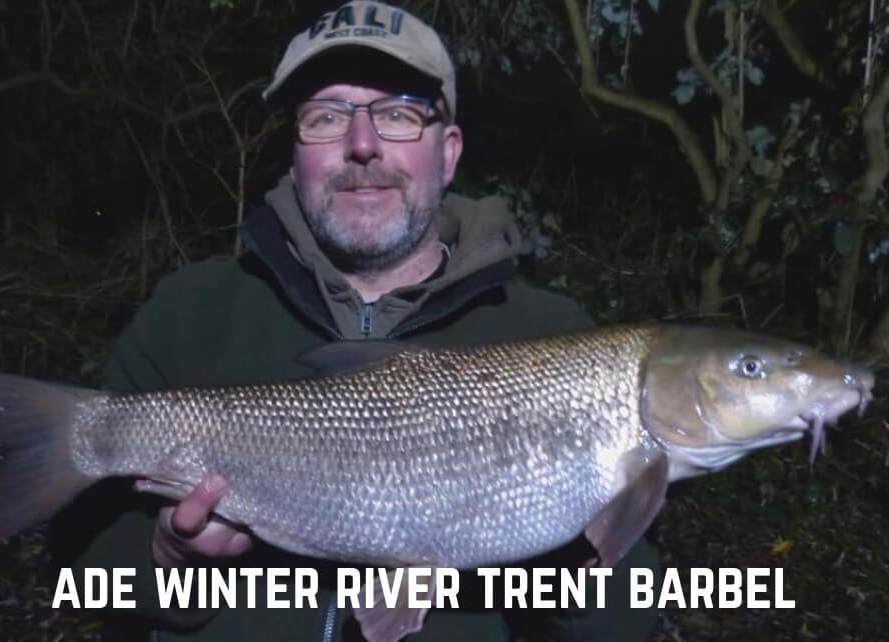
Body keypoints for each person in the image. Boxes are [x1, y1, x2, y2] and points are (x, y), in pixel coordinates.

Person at [60, 2, 661, 640]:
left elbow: (619, 625)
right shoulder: (188, 314)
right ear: (293, 154)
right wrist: (169, 561)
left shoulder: (554, 335)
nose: (363, 145)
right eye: (326, 116)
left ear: (449, 152)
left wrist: (576, 545)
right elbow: (82, 576)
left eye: (399, 114)